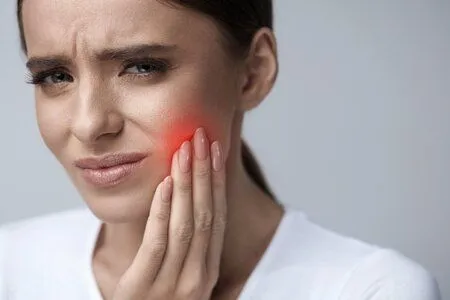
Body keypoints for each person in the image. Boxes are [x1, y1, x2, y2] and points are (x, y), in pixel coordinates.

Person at [0, 0, 442, 299]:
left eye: (141, 67)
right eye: (55, 76)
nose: (89, 124)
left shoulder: (370, 289)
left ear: (252, 73)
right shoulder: (10, 267)